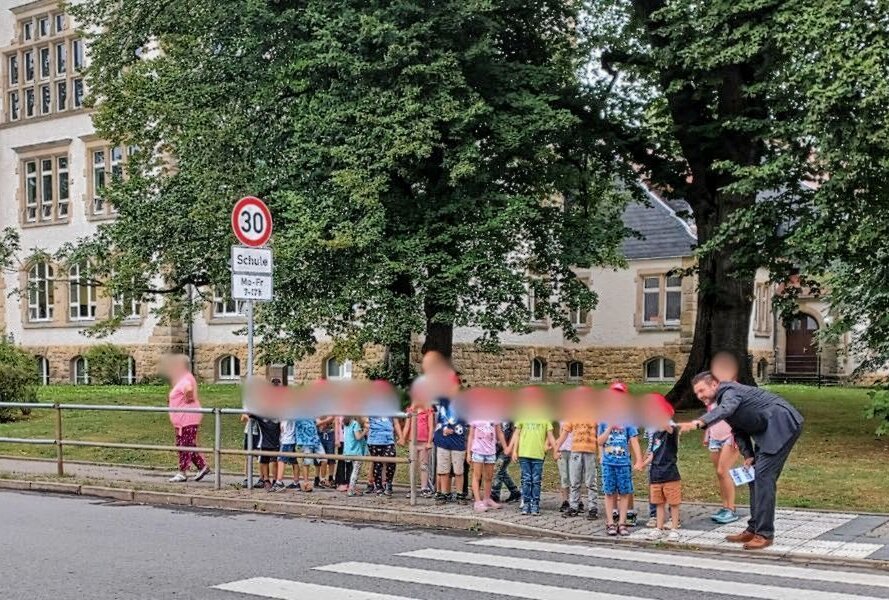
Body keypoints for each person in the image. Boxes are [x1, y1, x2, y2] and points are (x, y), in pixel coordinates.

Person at [680, 371, 804, 550]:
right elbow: (738, 430)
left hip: (781, 425)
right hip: (767, 431)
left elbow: (726, 410)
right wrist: (748, 455)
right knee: (755, 476)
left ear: (714, 385)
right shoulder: (724, 401)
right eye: (696, 393)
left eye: (701, 391)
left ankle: (764, 534)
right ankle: (754, 528)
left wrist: (699, 422)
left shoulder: (729, 392)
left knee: (763, 478)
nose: (699, 397)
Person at [597, 389, 642, 536]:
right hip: (609, 463)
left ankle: (622, 523)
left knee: (624, 493)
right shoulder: (603, 420)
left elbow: (634, 440)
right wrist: (609, 427)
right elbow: (599, 441)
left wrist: (639, 460)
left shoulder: (628, 420)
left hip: (623, 463)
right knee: (609, 493)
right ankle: (610, 522)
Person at [636, 394, 681, 541]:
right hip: (656, 473)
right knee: (659, 502)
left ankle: (674, 528)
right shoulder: (655, 434)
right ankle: (659, 527)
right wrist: (643, 463)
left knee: (673, 503)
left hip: (670, 472)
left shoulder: (671, 430)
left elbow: (669, 426)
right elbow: (653, 454)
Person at [510, 391, 558, 516]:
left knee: (536, 480)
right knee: (526, 480)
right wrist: (515, 450)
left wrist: (555, 450)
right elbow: (517, 434)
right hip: (524, 453)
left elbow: (550, 435)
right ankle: (526, 504)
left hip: (538, 454)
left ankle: (535, 504)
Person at [165, 354, 210, 483]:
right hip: (182, 419)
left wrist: (188, 398)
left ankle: (182, 472)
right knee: (187, 444)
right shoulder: (182, 378)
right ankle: (202, 466)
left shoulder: (185, 378)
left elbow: (188, 390)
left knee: (184, 445)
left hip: (187, 419)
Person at [553, 420, 598, 520]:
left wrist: (601, 452)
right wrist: (556, 449)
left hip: (590, 452)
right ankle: (574, 506)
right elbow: (564, 433)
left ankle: (593, 508)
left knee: (591, 481)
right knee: (574, 481)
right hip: (575, 452)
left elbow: (600, 432)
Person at [433, 394, 469, 504]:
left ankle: (460, 494)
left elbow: (464, 421)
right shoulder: (440, 400)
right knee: (443, 470)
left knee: (459, 471)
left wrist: (452, 429)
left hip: (458, 442)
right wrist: (444, 429)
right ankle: (444, 494)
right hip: (442, 441)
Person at [467, 419, 507, 512]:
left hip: (490, 451)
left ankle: (487, 499)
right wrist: (468, 453)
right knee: (477, 476)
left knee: (489, 477)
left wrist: (505, 448)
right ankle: (477, 502)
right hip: (478, 451)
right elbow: (471, 436)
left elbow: (499, 433)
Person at [367, 416, 400, 496]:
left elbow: (396, 423)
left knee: (391, 460)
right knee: (377, 464)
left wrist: (401, 437)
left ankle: (388, 484)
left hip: (389, 439)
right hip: (375, 440)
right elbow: (363, 420)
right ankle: (379, 487)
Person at [490, 420, 521, 504]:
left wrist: (511, 447)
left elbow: (515, 432)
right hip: (495, 448)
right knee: (502, 471)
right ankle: (515, 492)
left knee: (497, 470)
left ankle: (494, 495)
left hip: (507, 448)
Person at [270, 417, 299, 492]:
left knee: (281, 460)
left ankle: (279, 482)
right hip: (287, 439)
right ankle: (296, 482)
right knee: (293, 461)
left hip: (287, 440)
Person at [295, 417, 323, 492]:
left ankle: (322, 479)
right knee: (306, 462)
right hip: (305, 441)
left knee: (324, 458)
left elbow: (318, 421)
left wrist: (324, 422)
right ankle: (306, 483)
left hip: (315, 440)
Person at [342, 416, 368, 496]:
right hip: (356, 451)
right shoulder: (355, 423)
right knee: (356, 471)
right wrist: (365, 431)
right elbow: (358, 437)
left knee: (353, 470)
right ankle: (351, 489)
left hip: (348, 450)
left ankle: (352, 488)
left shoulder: (346, 423)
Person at [556, 421, 573, 512]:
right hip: (562, 450)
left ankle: (577, 500)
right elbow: (560, 432)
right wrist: (557, 448)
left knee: (574, 477)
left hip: (574, 449)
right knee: (564, 476)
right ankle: (565, 500)